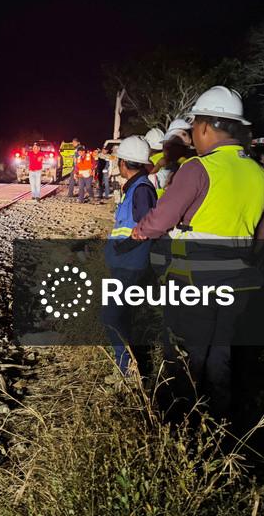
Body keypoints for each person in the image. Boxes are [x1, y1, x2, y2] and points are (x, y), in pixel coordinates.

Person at [132, 86, 264, 415]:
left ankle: (181, 422)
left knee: (185, 353)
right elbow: (261, 235)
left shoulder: (197, 168)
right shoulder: (261, 175)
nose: (194, 134)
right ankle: (217, 419)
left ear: (207, 127)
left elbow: (161, 219)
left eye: (195, 126)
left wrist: (140, 232)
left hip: (193, 281)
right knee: (220, 353)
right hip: (238, 282)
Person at [102, 136, 157, 372]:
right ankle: (129, 364)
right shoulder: (136, 187)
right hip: (126, 262)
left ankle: (127, 367)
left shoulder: (141, 189)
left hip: (130, 263)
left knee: (111, 316)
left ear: (124, 163)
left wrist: (121, 248)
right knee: (121, 315)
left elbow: (146, 226)